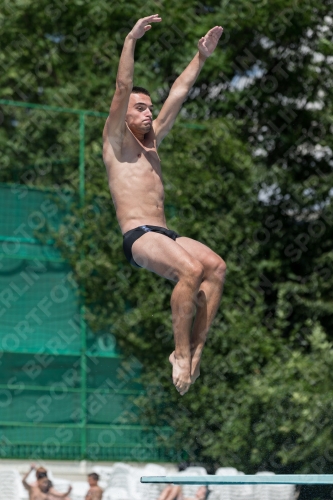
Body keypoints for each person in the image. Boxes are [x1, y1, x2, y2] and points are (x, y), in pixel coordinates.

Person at [103, 14, 226, 396]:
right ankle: (180, 352)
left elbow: (179, 92)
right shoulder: (115, 142)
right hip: (138, 235)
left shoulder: (152, 141)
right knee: (190, 269)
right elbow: (123, 85)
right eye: (140, 109)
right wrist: (130, 39)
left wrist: (201, 57)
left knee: (216, 267)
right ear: (122, 114)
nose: (148, 113)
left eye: (148, 108)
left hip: (164, 232)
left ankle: (195, 355)